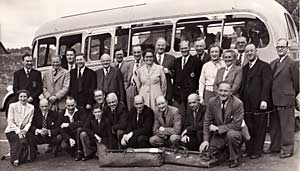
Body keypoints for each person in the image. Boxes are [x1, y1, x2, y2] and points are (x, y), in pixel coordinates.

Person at [199, 81, 245, 168]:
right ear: (217, 91)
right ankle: (225, 151)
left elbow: (236, 125)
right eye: (220, 90)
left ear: (230, 92)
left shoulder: (238, 103)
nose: (222, 93)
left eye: (225, 91)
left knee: (231, 135)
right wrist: (205, 140)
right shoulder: (212, 102)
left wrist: (217, 129)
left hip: (234, 132)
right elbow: (207, 121)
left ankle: (234, 158)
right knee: (210, 152)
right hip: (220, 134)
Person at [239, 43, 272, 159]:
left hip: (259, 103)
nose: (249, 53)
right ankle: (249, 149)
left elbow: (267, 85)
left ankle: (257, 150)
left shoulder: (264, 66)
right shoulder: (244, 68)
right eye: (247, 51)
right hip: (246, 104)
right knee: (248, 127)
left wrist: (264, 100)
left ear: (256, 51)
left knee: (260, 127)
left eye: (251, 51)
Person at [268, 38, 299, 158]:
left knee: (286, 125)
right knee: (274, 125)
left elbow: (297, 83)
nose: (280, 49)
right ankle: (275, 147)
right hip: (274, 99)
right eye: (278, 47)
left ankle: (287, 149)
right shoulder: (273, 63)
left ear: (287, 48)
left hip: (285, 98)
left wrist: (290, 94)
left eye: (282, 47)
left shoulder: (292, 63)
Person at [5, 89, 34, 167]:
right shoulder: (12, 106)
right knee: (17, 140)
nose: (23, 99)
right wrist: (18, 131)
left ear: (28, 98)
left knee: (26, 144)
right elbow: (10, 121)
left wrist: (24, 130)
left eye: (25, 96)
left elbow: (29, 122)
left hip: (24, 130)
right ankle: (15, 159)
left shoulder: (31, 107)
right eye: (21, 96)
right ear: (18, 97)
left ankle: (24, 156)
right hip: (12, 130)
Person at [173, 40, 201, 115]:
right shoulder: (177, 61)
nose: (184, 50)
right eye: (182, 48)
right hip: (179, 95)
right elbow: (175, 77)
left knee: (190, 115)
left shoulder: (196, 61)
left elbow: (198, 78)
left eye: (185, 48)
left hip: (190, 93)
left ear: (189, 48)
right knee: (180, 114)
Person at [58, 97, 88, 161]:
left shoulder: (81, 110)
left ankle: (79, 151)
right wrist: (68, 138)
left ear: (75, 104)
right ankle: (74, 151)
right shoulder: (61, 113)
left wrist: (69, 124)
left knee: (79, 129)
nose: (71, 108)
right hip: (69, 135)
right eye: (68, 106)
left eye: (72, 105)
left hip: (78, 134)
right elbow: (60, 129)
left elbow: (83, 122)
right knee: (64, 146)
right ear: (65, 105)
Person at [154, 37, 175, 104]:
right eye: (159, 45)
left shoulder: (171, 58)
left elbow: (176, 74)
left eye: (162, 45)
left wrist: (168, 71)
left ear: (165, 46)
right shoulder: (151, 58)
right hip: (155, 89)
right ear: (155, 46)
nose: (160, 47)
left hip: (167, 90)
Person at [125, 45, 144, 110]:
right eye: (135, 52)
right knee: (131, 108)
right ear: (132, 53)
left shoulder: (145, 64)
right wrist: (127, 89)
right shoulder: (129, 64)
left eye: (138, 52)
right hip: (131, 88)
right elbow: (126, 78)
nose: (136, 54)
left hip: (141, 88)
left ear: (141, 52)